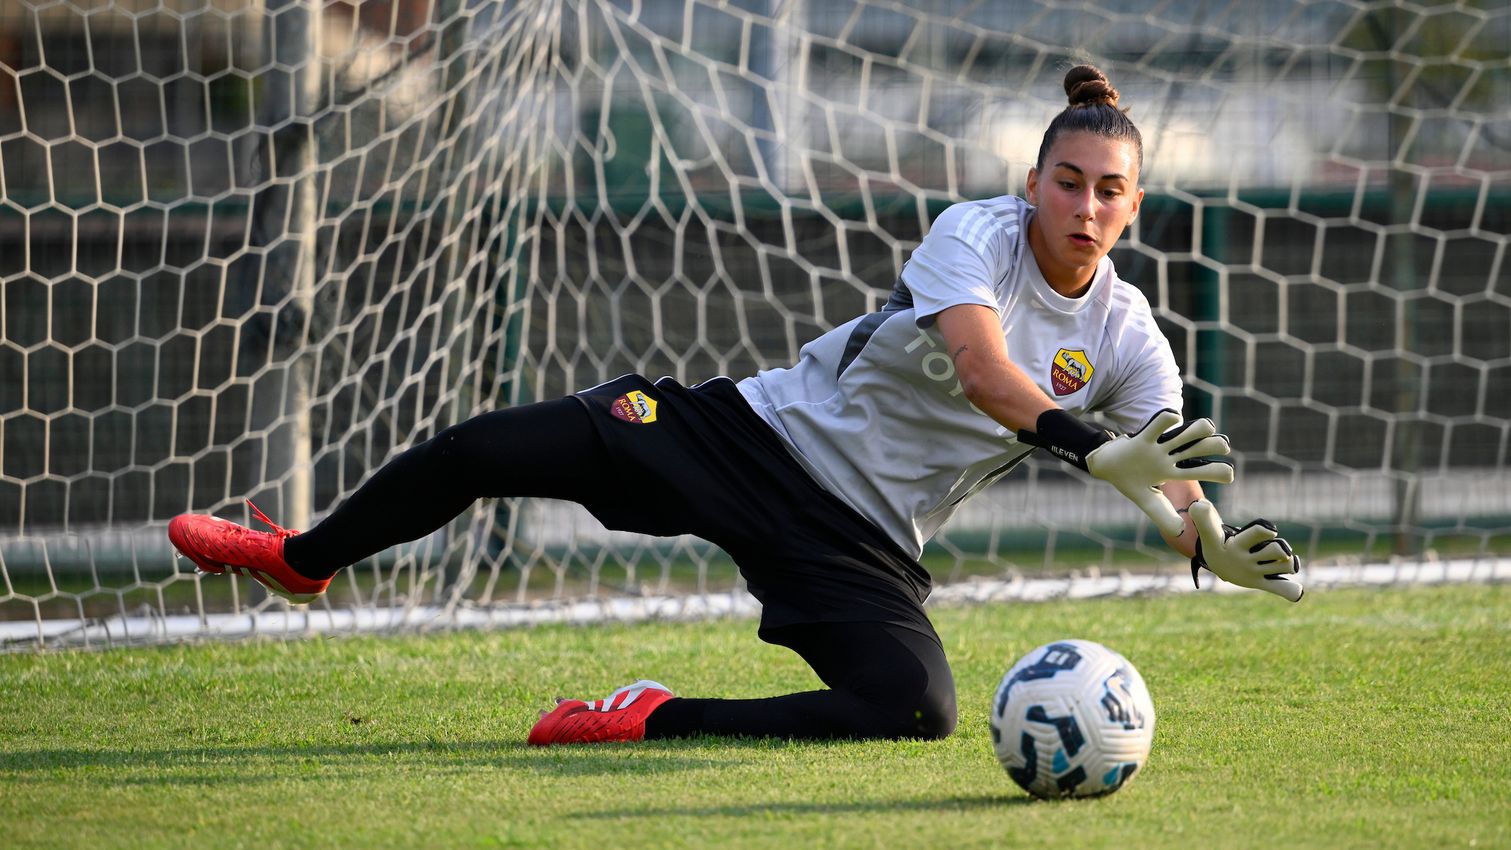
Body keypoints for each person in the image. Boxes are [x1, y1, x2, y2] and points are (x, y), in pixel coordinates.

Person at [168, 65, 1303, 746]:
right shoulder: (975, 235)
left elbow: (1166, 465)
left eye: (1109, 191)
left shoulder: (1126, 330)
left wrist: (1199, 536)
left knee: (913, 709)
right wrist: (1087, 447)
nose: (1085, 206)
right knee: (488, 446)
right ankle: (302, 556)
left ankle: (646, 714)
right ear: (1032, 183)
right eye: (1067, 182)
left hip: (863, 537)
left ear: (1133, 204)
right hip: (751, 437)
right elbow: (982, 373)